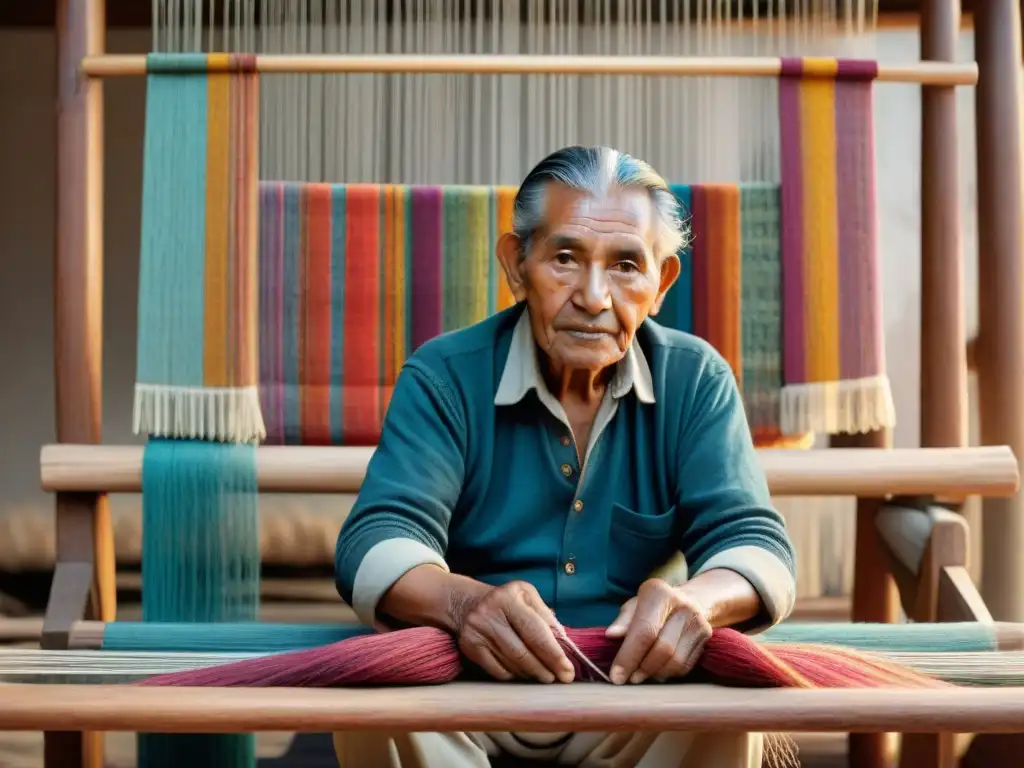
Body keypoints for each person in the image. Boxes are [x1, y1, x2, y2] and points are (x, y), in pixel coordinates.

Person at [333, 145, 796, 768]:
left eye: (626, 265)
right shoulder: (444, 375)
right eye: (566, 258)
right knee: (370, 701)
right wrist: (465, 604)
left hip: (633, 692)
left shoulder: (695, 379)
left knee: (727, 705)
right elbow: (378, 537)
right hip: (466, 687)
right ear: (516, 265)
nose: (595, 296)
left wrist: (695, 603)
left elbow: (754, 542)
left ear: (660, 284)